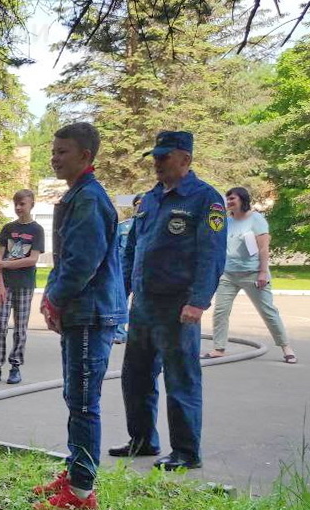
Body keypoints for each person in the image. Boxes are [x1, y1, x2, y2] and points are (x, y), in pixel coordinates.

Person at [113, 131, 226, 471]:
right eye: (155, 157)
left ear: (185, 160)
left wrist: (198, 301)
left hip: (178, 305)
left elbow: (212, 255)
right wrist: (122, 292)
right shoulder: (149, 199)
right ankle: (143, 439)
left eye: (164, 157)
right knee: (136, 376)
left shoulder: (206, 200)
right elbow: (133, 247)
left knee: (181, 378)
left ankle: (186, 451)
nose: (157, 163)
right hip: (145, 304)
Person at [32, 123, 125, 510]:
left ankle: (82, 492)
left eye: (62, 151)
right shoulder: (78, 196)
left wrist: (55, 299)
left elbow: (81, 263)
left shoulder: (89, 200)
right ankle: (75, 471)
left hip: (90, 313)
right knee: (76, 396)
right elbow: (66, 259)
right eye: (53, 151)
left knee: (84, 400)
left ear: (86, 156)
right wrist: (53, 298)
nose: (54, 157)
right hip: (81, 312)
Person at [204, 187, 296, 363]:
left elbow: (263, 248)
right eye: (227, 199)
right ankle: (219, 348)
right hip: (228, 274)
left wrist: (262, 272)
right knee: (221, 311)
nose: (229, 202)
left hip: (253, 273)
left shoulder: (256, 219)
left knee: (268, 311)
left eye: (232, 199)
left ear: (243, 200)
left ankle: (286, 348)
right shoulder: (225, 221)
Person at [0, 189, 45, 386]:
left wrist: (6, 265)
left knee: (20, 328)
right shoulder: (8, 228)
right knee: (0, 326)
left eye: (23, 204)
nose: (19, 208)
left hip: (25, 285)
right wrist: (0, 284)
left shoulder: (37, 230)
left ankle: (15, 366)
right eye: (16, 204)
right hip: (7, 285)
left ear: (31, 205)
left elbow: (33, 259)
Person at [114, 193, 142, 344]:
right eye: (137, 204)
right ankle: (119, 332)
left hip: (143, 269)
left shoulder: (153, 226)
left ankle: (136, 335)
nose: (140, 207)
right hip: (124, 268)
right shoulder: (123, 226)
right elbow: (115, 248)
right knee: (120, 300)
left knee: (140, 302)